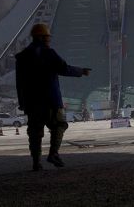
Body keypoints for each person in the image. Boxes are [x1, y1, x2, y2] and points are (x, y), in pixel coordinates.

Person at [16, 23, 91, 171]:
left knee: (35, 133)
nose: (49, 39)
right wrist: (81, 71)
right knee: (59, 125)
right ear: (41, 37)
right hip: (50, 100)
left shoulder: (23, 57)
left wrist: (23, 102)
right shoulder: (48, 53)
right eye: (47, 36)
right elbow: (63, 68)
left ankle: (36, 163)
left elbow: (20, 83)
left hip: (32, 103)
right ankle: (53, 153)